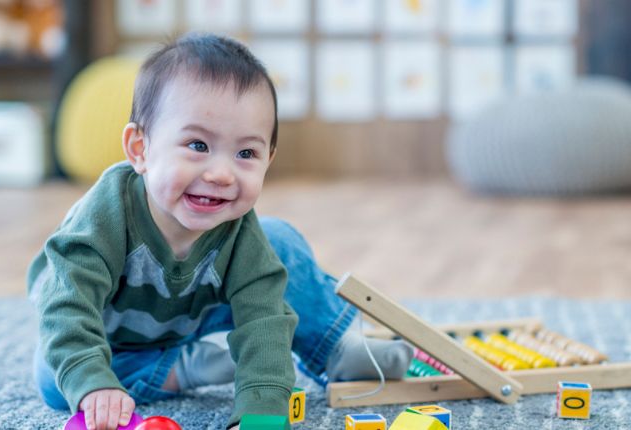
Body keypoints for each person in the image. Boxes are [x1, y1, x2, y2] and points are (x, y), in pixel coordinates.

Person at [28, 33, 412, 430]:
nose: (221, 174)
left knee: (279, 241)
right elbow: (67, 307)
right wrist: (93, 384)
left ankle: (329, 347)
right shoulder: (104, 216)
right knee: (57, 379)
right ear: (140, 149)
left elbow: (264, 319)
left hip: (195, 312)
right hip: (112, 335)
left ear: (268, 160)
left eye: (246, 154)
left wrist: (261, 414)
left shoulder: (237, 229)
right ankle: (177, 368)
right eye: (197, 145)